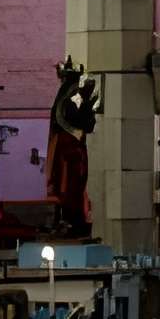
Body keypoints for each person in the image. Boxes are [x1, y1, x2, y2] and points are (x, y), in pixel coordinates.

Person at [45, 57, 101, 234]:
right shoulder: (71, 97)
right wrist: (88, 104)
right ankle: (71, 220)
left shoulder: (68, 95)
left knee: (71, 186)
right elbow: (81, 121)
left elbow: (81, 120)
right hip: (69, 151)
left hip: (68, 149)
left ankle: (70, 219)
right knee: (70, 186)